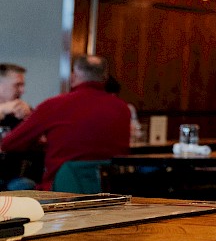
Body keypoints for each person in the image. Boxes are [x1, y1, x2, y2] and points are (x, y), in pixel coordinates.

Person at [0, 54, 132, 190]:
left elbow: (9, 143)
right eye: (18, 85)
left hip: (62, 189)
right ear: (105, 78)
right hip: (110, 190)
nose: (23, 91)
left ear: (73, 76)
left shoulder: (54, 106)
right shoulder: (123, 108)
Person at [0, 63, 33, 131]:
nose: (22, 91)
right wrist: (2, 110)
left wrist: (29, 118)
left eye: (22, 85)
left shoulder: (24, 110)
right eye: (17, 85)